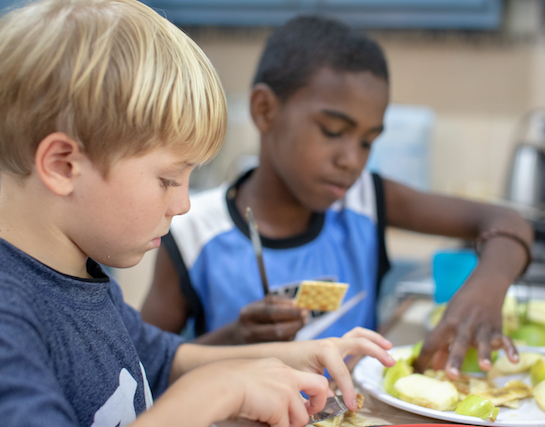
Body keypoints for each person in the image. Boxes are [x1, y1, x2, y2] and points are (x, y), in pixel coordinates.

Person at [0, 1, 396, 426]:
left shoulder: (79, 277)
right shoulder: (10, 319)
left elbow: (162, 358)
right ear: (63, 165)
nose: (183, 204)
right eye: (168, 179)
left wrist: (296, 355)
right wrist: (221, 389)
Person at [141, 15, 533, 378]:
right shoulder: (192, 230)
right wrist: (235, 339)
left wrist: (485, 289)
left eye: (367, 142)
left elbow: (509, 222)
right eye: (332, 131)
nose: (352, 160)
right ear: (265, 110)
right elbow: (143, 370)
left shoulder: (365, 199)